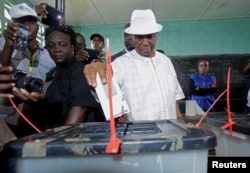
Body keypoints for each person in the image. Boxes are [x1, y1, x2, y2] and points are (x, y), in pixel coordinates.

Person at [84, 9, 185, 121]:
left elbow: (174, 97)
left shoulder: (166, 61)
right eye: (140, 37)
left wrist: (181, 119)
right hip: (140, 134)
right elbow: (105, 94)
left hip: (171, 130)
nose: (145, 43)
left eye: (150, 36)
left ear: (156, 36)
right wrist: (96, 77)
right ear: (133, 37)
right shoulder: (120, 64)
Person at [22, 24, 104, 130]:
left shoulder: (79, 70)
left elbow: (80, 108)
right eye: (51, 45)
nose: (57, 49)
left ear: (72, 47)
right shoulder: (54, 71)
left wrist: (61, 139)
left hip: (73, 138)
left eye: (63, 45)